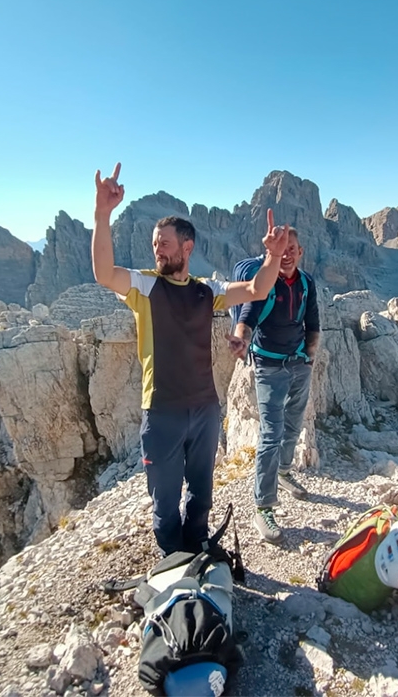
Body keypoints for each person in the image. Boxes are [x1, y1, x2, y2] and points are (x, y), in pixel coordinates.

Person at [91, 162, 290, 556]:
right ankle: (173, 557)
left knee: (202, 490)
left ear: (187, 247)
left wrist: (273, 257)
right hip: (162, 412)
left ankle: (198, 544)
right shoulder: (144, 287)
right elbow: (103, 273)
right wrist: (102, 214)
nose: (157, 249)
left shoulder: (205, 289)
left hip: (205, 409)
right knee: (165, 502)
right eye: (154, 243)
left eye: (164, 242)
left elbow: (255, 288)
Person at [227, 228, 320, 543]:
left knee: (293, 427)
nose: (288, 253)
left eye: (293, 248)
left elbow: (314, 324)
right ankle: (263, 507)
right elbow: (248, 316)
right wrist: (240, 338)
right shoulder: (266, 283)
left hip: (298, 365)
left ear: (300, 251)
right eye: (284, 249)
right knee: (271, 434)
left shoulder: (307, 283)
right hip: (269, 366)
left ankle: (283, 472)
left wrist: (309, 358)